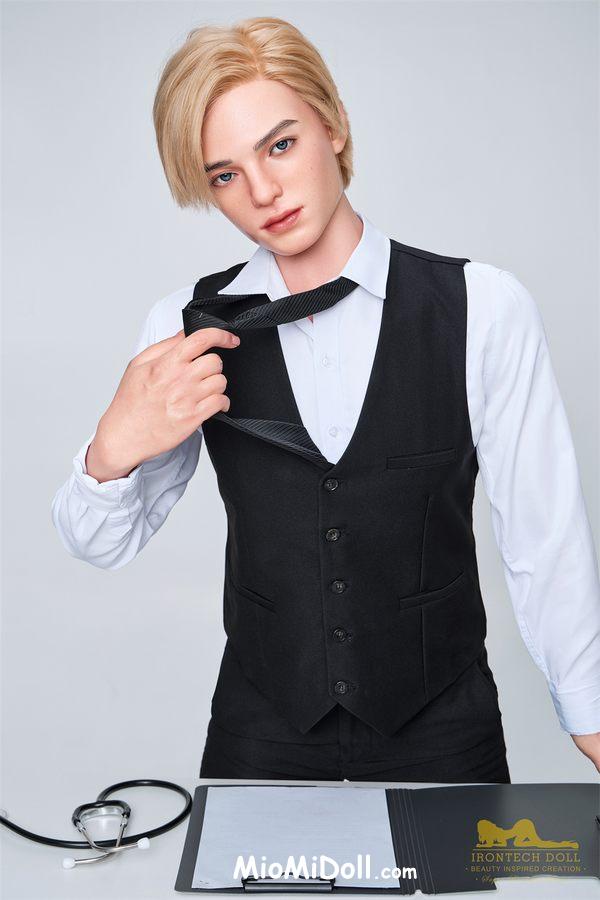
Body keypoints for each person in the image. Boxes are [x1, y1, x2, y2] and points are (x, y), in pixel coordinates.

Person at [51, 16, 600, 781]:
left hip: (444, 728)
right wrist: (111, 450)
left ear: (334, 125)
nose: (263, 192)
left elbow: (544, 537)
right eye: (225, 174)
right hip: (261, 731)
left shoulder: (483, 307)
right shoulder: (187, 328)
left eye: (280, 145)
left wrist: (590, 715)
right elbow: (99, 544)